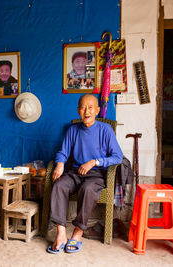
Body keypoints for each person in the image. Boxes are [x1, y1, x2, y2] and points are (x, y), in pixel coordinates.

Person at [47, 94, 123, 254]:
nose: (86, 111)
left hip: (96, 175)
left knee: (87, 189)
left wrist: (94, 162)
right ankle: (61, 234)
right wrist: (60, 164)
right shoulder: (72, 130)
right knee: (59, 185)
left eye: (90, 107)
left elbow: (117, 156)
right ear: (78, 110)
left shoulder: (105, 130)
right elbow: (63, 152)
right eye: (82, 107)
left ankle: (77, 232)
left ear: (97, 110)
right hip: (75, 173)